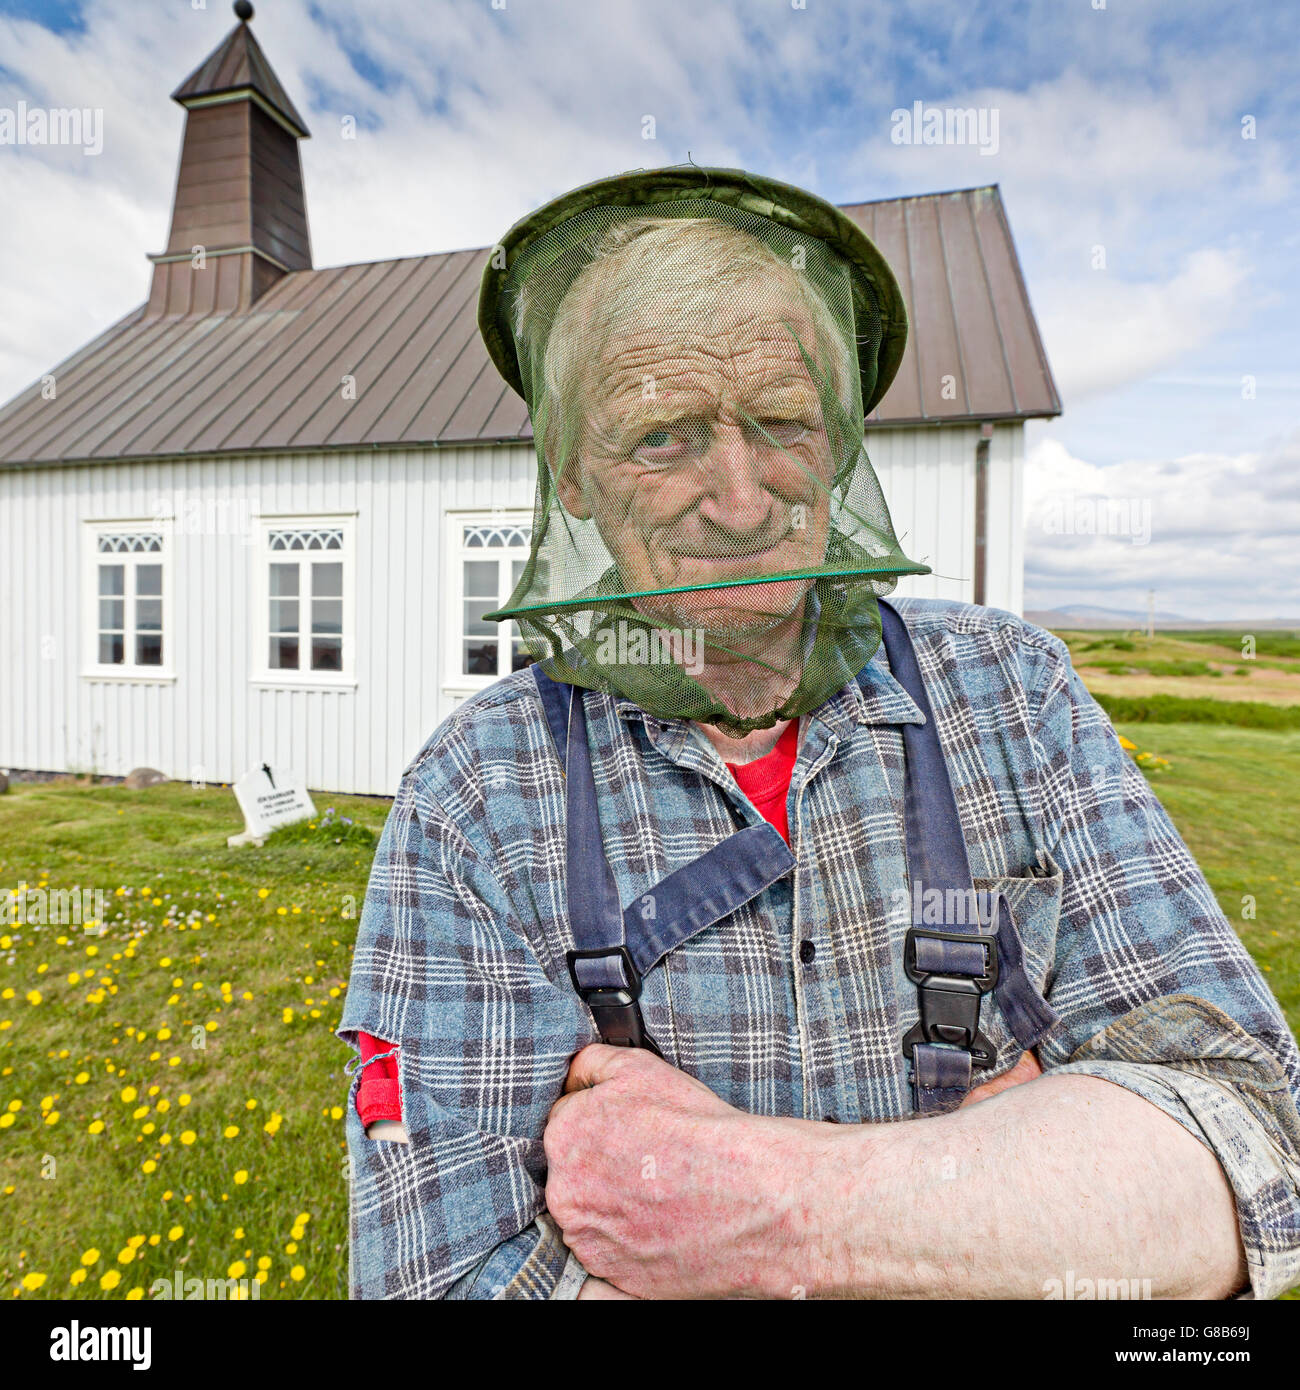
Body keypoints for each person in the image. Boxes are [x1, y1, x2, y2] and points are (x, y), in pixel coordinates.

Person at [338, 167, 1300, 1300]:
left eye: (783, 423)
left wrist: (774, 1206)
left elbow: (1253, 1145)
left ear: (840, 442)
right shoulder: (478, 792)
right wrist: (1022, 1194)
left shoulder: (1011, 690)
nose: (739, 500)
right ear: (574, 477)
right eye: (662, 437)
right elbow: (440, 1277)